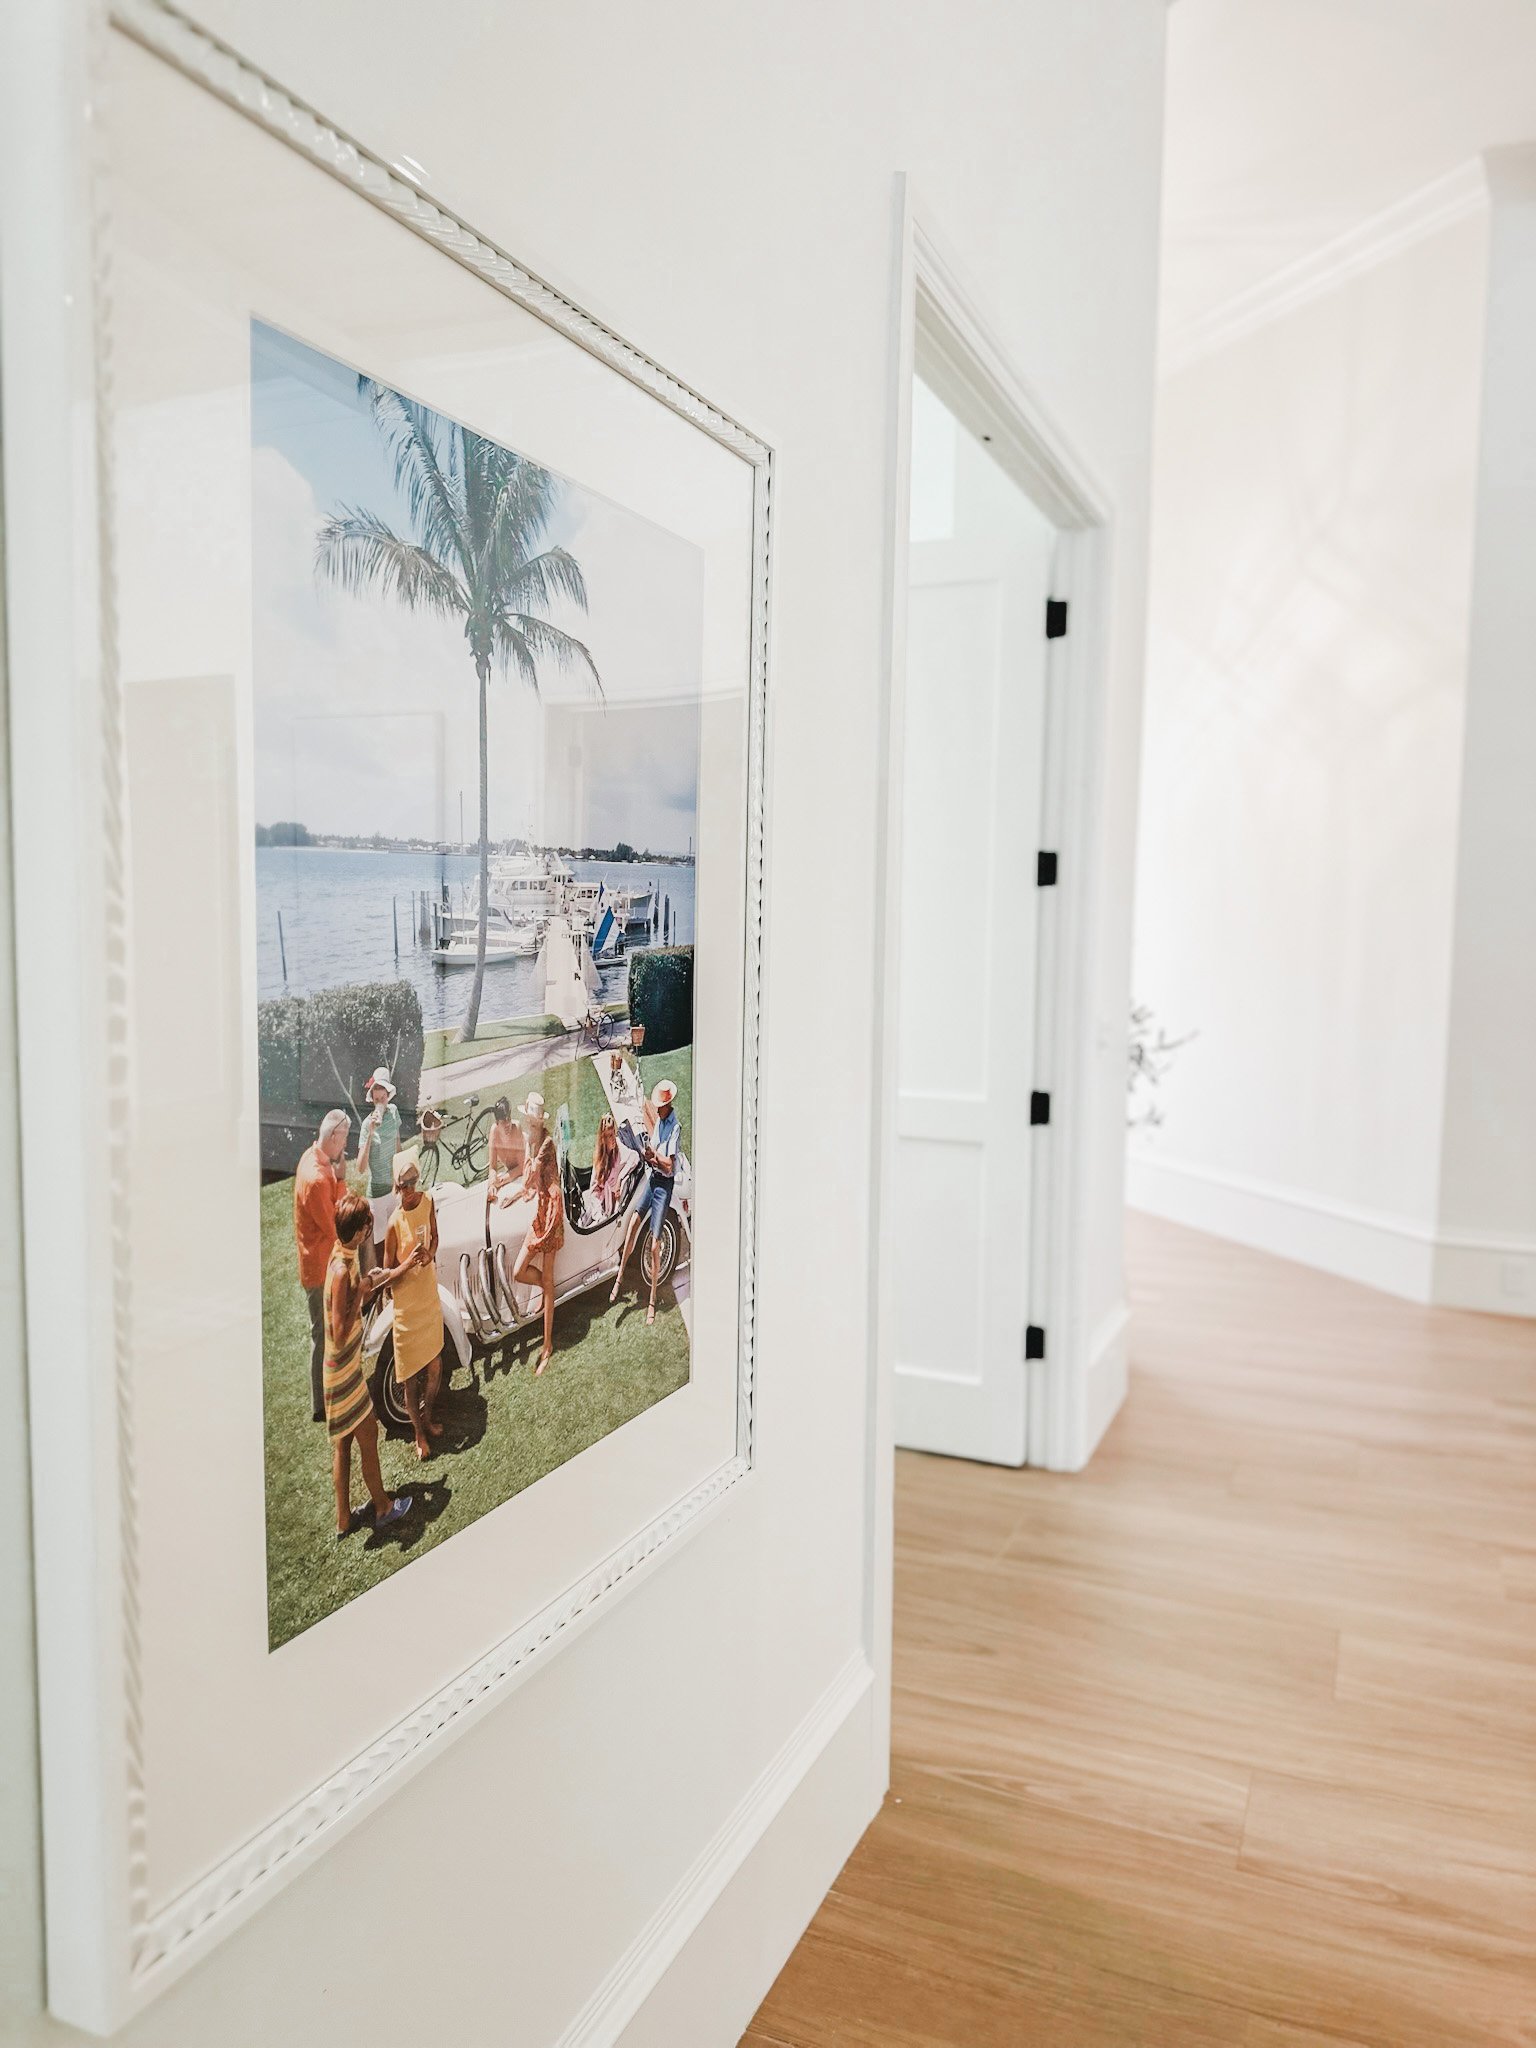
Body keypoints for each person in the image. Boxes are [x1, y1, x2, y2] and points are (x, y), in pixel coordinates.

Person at [323, 1193, 411, 1540]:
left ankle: (344, 1519)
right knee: (369, 1434)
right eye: (366, 1228)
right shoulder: (342, 1271)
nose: (367, 1232)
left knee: (343, 1444)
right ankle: (383, 1507)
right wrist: (360, 1292)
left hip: (337, 1368)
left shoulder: (339, 1255)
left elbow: (348, 1303)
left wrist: (367, 1285)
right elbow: (340, 1331)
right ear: (358, 1231)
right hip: (344, 1371)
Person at [380, 1149, 444, 1461]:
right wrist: (407, 1264)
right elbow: (385, 1276)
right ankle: (418, 1434)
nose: (408, 1190)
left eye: (412, 1183)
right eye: (403, 1185)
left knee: (435, 1365)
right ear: (396, 1186)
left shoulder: (428, 1202)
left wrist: (430, 1254)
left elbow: (436, 1238)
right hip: (406, 1308)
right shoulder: (394, 1223)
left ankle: (427, 1418)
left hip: (427, 1297)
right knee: (409, 1379)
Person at [294, 1108, 350, 1424]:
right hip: (318, 1268)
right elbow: (335, 1226)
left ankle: (326, 1394)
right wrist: (341, 1182)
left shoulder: (313, 1157)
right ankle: (321, 1405)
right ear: (334, 1136)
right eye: (344, 1138)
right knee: (323, 1333)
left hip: (316, 1262)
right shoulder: (317, 1179)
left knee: (325, 1332)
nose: (346, 1145)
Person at [609, 1079, 680, 1326]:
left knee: (654, 1246)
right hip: (652, 1179)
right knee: (632, 1225)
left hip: (663, 1186)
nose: (657, 1109)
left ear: (667, 1105)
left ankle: (652, 1300)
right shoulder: (659, 1121)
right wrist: (647, 1154)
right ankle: (619, 1278)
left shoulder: (675, 1127)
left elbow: (669, 1165)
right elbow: (655, 1154)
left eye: (660, 1106)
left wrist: (654, 1156)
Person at [510, 1092, 563, 1375]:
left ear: (539, 1123)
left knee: (549, 1277)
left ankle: (547, 1345)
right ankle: (547, 1290)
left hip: (552, 1211)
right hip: (542, 1207)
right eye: (528, 1121)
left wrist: (528, 1149)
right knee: (519, 1271)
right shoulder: (535, 1141)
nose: (528, 1125)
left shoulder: (545, 1143)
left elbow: (529, 1176)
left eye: (531, 1122)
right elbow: (529, 1182)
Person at [357, 1066, 401, 1259]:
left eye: (383, 1098)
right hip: (376, 1195)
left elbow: (397, 1146)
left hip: (394, 1189)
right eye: (376, 1100)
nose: (380, 1103)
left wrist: (400, 1176)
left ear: (388, 1096)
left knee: (398, 1238)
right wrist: (371, 1133)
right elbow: (360, 1168)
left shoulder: (394, 1112)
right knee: (381, 1247)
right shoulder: (367, 1125)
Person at [582, 1113, 625, 1224]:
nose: (613, 1138)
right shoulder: (599, 1160)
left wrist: (619, 1179)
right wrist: (599, 1214)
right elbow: (594, 1189)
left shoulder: (620, 1151)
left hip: (614, 1204)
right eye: (609, 1136)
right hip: (600, 1204)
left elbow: (634, 1157)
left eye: (614, 1133)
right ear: (603, 1139)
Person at [486, 1096, 526, 1208]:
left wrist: (502, 1180)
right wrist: (492, 1185)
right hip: (510, 1173)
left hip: (524, 1170)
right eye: (503, 1121)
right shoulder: (494, 1131)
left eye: (509, 1119)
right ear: (497, 1123)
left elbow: (522, 1167)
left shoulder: (516, 1128)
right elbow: (493, 1167)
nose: (508, 1124)